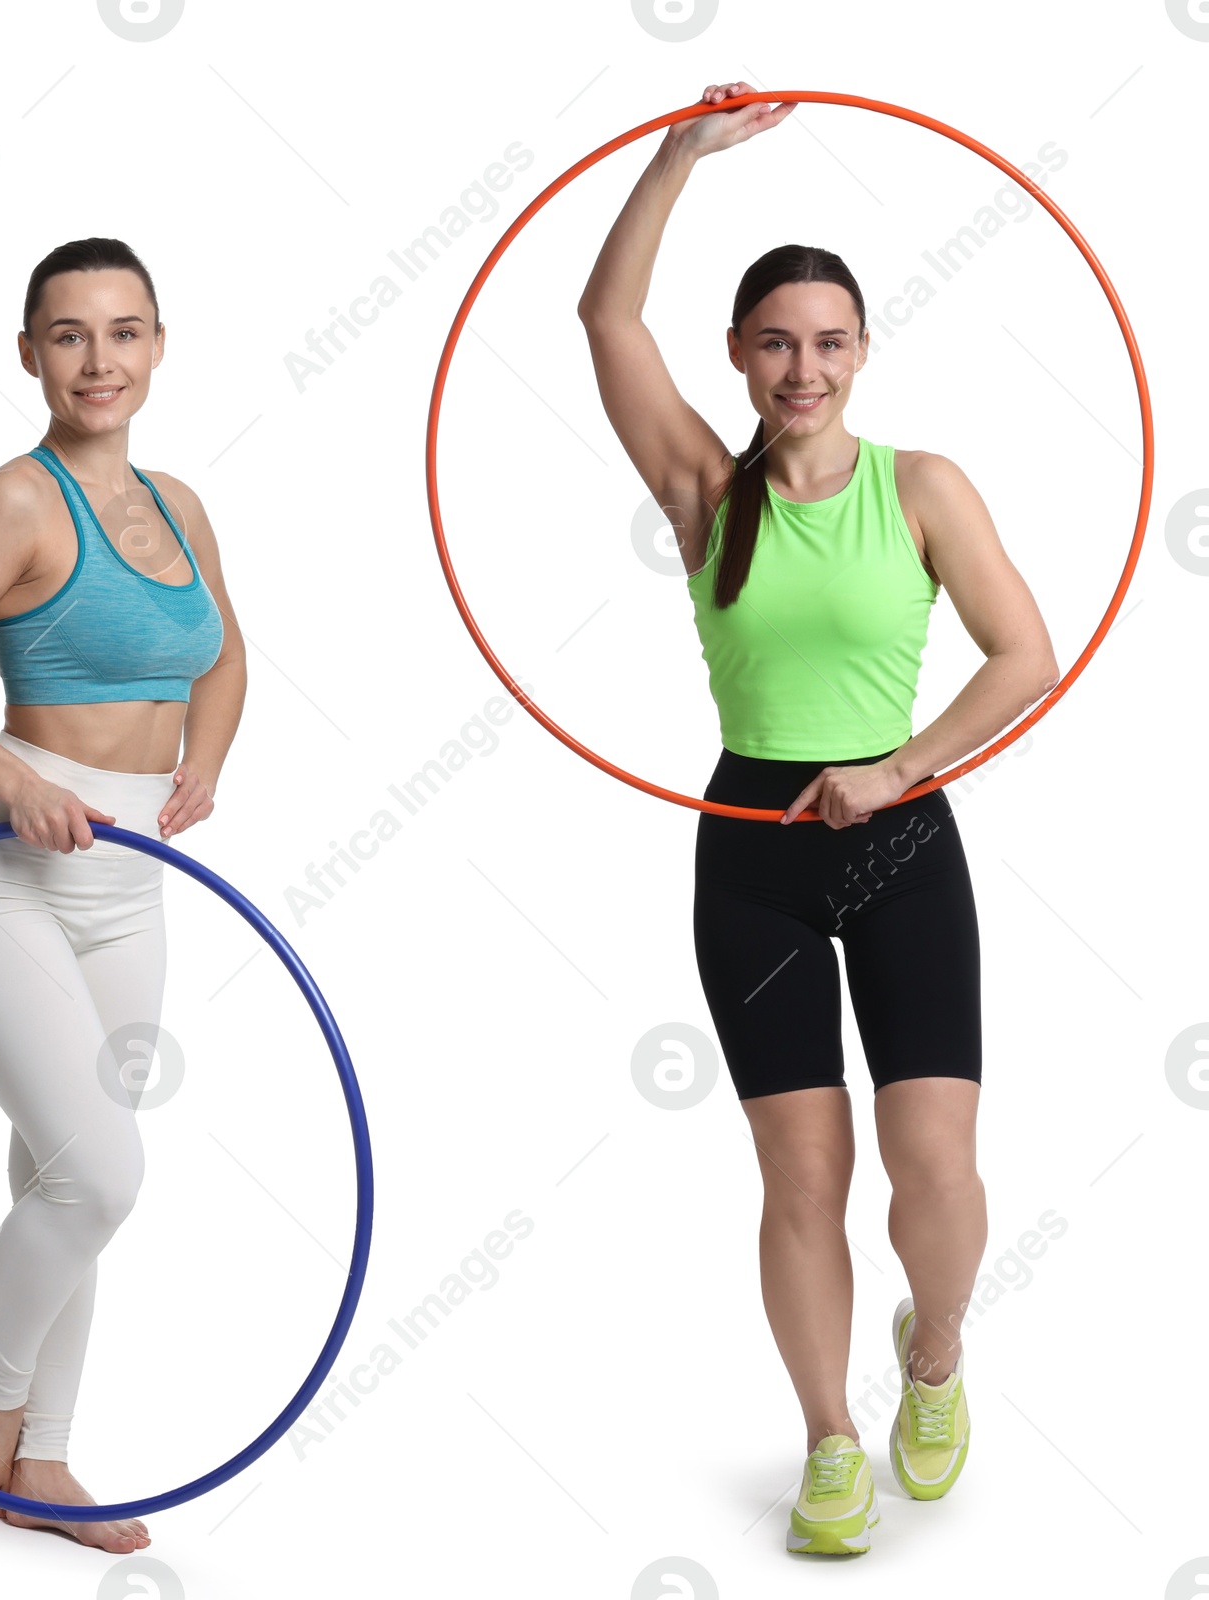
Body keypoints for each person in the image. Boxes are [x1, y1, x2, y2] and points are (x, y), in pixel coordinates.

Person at [577, 84, 1059, 1556]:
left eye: (830, 342)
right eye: (777, 342)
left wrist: (899, 769)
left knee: (940, 1176)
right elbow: (606, 323)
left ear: (863, 353)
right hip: (752, 850)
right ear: (741, 354)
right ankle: (830, 1442)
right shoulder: (705, 494)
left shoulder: (924, 488)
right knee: (802, 1173)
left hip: (904, 840)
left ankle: (933, 1353)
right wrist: (677, 157)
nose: (804, 367)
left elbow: (1022, 655)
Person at [0, 237, 246, 1553]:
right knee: (101, 1176)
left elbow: (226, 651)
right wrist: (8, 776)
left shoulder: (182, 503)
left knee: (61, 1176)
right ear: (28, 352)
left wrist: (206, 761)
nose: (100, 360)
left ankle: (50, 1461)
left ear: (157, 345)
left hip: (137, 883)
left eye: (125, 331)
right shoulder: (14, 506)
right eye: (70, 335)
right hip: (10, 879)